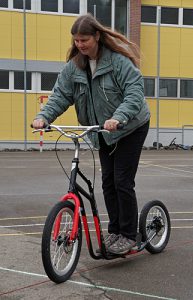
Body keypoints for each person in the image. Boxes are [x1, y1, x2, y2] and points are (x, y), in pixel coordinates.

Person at [32, 14, 150, 255]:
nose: (80, 45)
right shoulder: (74, 67)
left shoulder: (118, 62)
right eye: (76, 40)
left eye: (84, 39)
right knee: (107, 183)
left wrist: (118, 118)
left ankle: (128, 235)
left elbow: (134, 93)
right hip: (101, 132)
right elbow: (60, 96)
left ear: (97, 36)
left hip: (130, 127)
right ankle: (115, 231)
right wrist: (44, 117)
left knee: (122, 181)